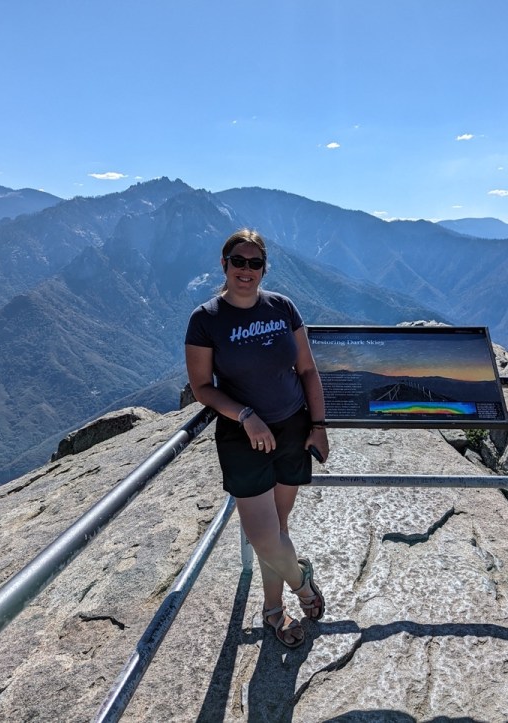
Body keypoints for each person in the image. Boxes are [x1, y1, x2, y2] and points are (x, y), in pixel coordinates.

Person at [184, 228, 330, 648]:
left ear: (264, 268)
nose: (246, 270)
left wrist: (318, 425)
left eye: (255, 263)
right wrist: (246, 415)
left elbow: (307, 370)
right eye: (238, 262)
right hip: (242, 435)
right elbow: (202, 387)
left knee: (278, 528)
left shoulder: (282, 307)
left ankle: (273, 612)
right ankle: (302, 584)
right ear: (224, 265)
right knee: (264, 535)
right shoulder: (206, 319)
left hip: (291, 427)